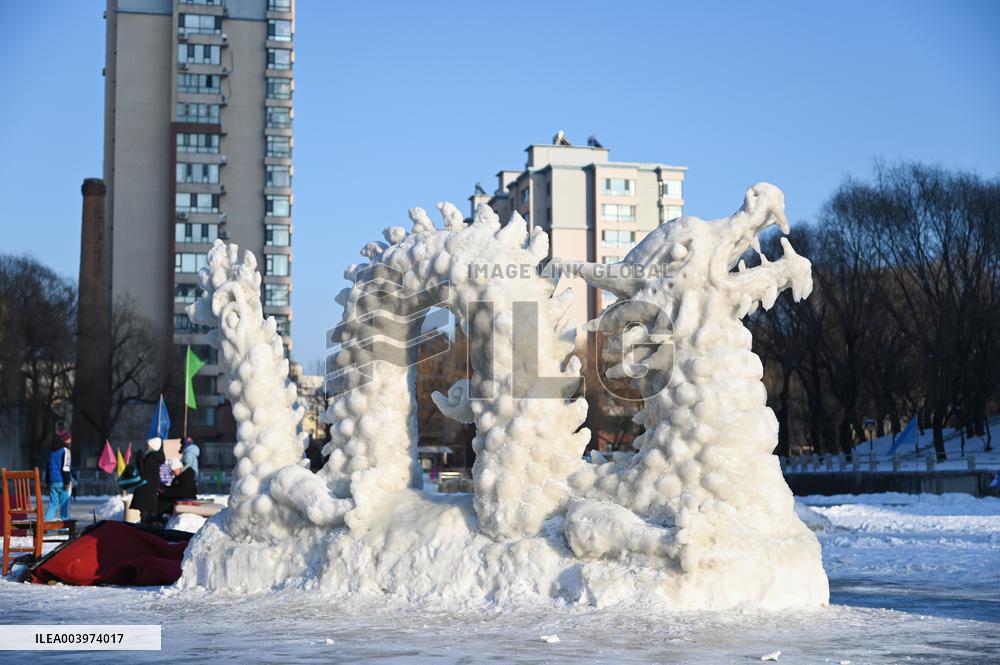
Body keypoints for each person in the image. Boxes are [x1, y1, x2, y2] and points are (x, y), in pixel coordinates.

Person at [131, 437, 165, 525]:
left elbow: (143, 470)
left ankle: (145, 523)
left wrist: (139, 459)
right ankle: (148, 521)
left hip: (146, 485)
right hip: (150, 484)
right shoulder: (154, 456)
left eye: (149, 445)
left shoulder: (151, 457)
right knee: (148, 506)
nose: (147, 447)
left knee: (144, 506)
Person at [44, 430, 73, 521]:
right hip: (63, 481)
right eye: (69, 438)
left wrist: (47, 481)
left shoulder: (52, 452)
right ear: (65, 440)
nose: (71, 439)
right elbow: (66, 468)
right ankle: (65, 527)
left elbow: (48, 467)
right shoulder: (66, 451)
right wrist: (67, 482)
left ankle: (45, 525)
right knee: (65, 504)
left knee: (53, 504)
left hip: (53, 482)